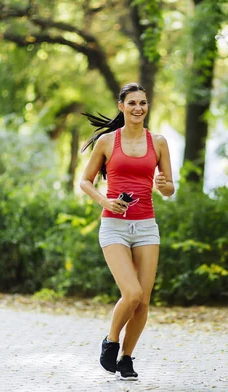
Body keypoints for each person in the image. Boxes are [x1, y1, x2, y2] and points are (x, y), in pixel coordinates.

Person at [79, 82, 175, 381]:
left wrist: (164, 186)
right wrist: (105, 200)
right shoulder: (108, 142)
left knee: (144, 301)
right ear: (121, 106)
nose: (138, 108)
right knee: (131, 293)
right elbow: (85, 181)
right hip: (114, 227)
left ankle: (127, 358)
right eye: (132, 103)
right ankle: (111, 340)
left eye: (143, 103)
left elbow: (170, 187)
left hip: (147, 226)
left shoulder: (158, 142)